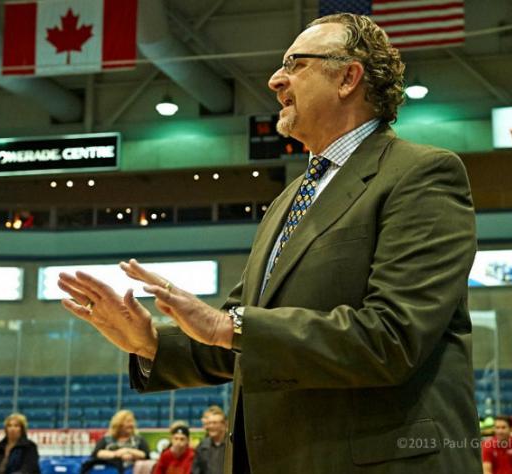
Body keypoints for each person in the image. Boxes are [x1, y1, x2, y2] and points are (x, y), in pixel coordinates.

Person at [58, 12, 480, 474]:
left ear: (347, 78)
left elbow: (393, 337)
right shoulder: (289, 200)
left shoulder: (421, 174)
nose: (276, 79)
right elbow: (241, 332)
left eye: (295, 63)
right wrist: (152, 343)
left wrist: (231, 328)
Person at [192, 407, 227, 474]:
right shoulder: (202, 446)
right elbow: (196, 470)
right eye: (209, 423)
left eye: (214, 423)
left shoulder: (232, 445)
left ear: (224, 425)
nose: (211, 426)